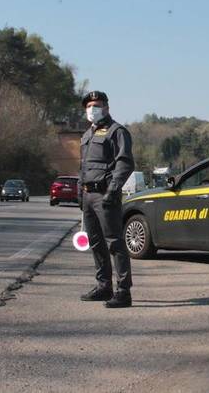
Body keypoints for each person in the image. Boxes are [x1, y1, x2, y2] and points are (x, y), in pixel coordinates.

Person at [78, 90, 135, 308]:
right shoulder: (87, 134)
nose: (92, 109)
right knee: (96, 242)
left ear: (107, 107)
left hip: (105, 195)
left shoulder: (117, 131)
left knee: (114, 243)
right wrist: (79, 192)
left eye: (97, 105)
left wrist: (112, 191)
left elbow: (125, 163)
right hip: (88, 195)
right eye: (89, 105)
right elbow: (83, 166)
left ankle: (123, 291)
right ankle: (104, 286)